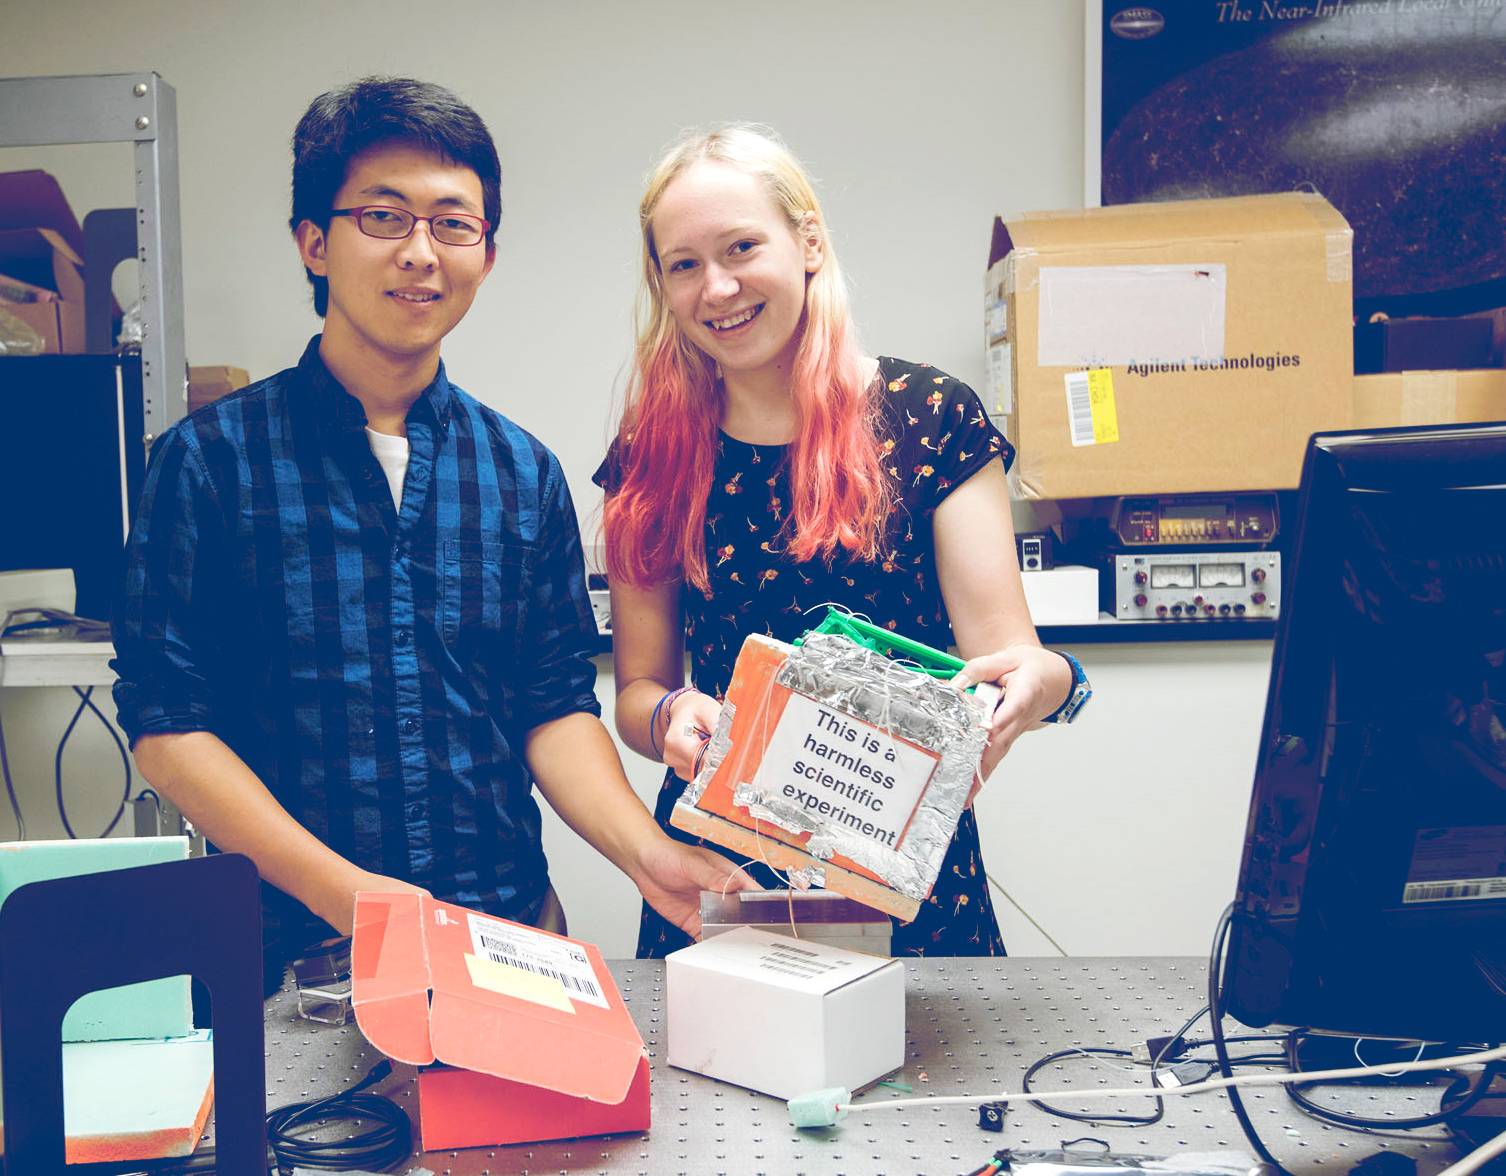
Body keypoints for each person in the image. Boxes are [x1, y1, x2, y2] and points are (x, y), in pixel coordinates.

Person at [112, 77, 744, 990]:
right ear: (314, 243)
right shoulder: (208, 463)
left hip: (504, 938)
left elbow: (552, 705)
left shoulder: (521, 472)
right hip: (290, 964)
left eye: (453, 224)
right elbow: (167, 726)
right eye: (384, 217)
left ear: (485, 256)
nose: (421, 252)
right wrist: (357, 902)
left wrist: (646, 856)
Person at [598, 125, 1091, 959]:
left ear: (809, 241)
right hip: (726, 872)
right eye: (683, 265)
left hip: (903, 870)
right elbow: (639, 690)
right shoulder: (652, 452)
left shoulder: (931, 417)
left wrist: (1042, 684)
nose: (716, 287)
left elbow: (1012, 660)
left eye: (741, 247)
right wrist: (672, 715)